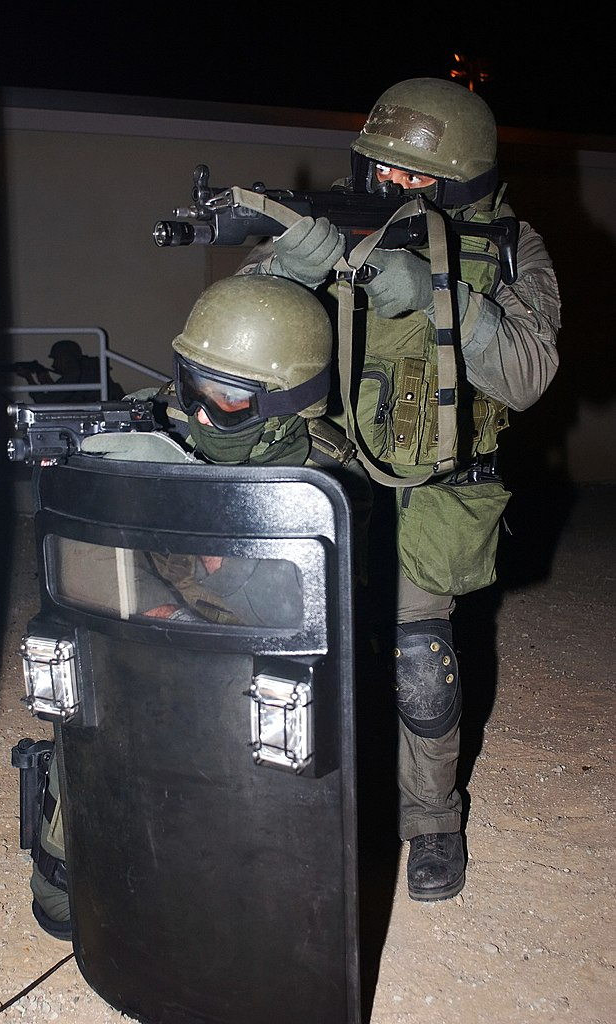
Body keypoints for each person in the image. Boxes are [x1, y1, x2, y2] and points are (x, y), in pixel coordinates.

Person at [238, 77, 561, 901]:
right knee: (287, 642)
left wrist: (436, 296)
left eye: (414, 178)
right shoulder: (340, 226)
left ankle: (430, 824)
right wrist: (282, 269)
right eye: (380, 170)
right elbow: (241, 332)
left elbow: (526, 373)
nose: (391, 189)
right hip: (331, 470)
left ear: (460, 183)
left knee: (419, 660)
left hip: (439, 485)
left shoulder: (517, 248)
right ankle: (285, 808)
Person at [26, 274, 372, 939]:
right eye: (194, 385)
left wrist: (224, 545)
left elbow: (322, 622)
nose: (206, 414)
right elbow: (94, 568)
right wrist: (110, 493)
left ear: (291, 402)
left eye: (232, 399)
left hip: (262, 676)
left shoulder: (331, 479)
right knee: (64, 899)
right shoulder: (148, 424)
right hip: (149, 644)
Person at [16, 338, 125, 402]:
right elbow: (65, 395)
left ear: (65, 359)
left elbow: (46, 401)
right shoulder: (86, 370)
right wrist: (47, 382)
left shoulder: (77, 373)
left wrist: (29, 378)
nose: (53, 365)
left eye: (56, 359)